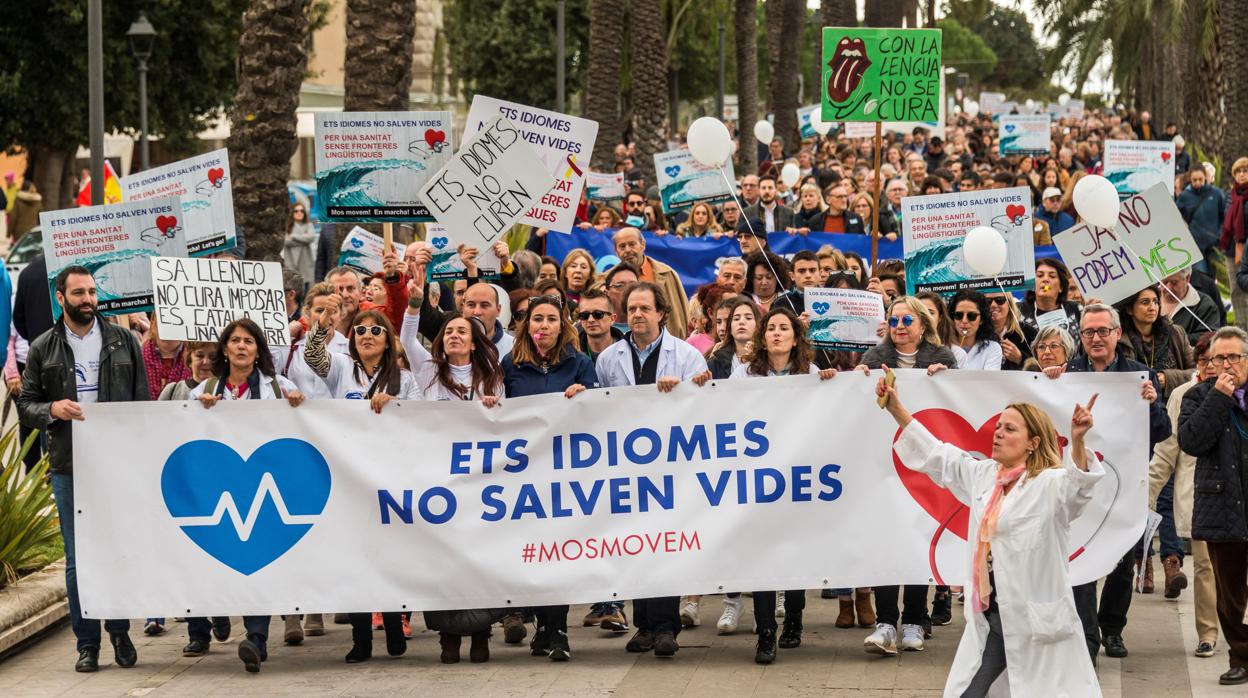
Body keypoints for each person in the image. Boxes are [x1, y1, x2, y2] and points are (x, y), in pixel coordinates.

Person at [879, 366, 1104, 697]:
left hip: (1036, 622)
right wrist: (895, 407)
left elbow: (1078, 489)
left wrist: (1080, 440)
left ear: (1033, 443)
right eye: (998, 426)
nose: (998, 432)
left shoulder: (1049, 484)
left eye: (1010, 428)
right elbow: (937, 455)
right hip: (991, 616)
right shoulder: (984, 476)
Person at [17, 266, 149, 673]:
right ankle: (86, 643)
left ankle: (121, 631)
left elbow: (142, 404)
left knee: (117, 551)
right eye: (79, 293)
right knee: (78, 559)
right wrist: (52, 409)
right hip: (69, 464)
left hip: (116, 464)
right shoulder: (44, 347)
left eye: (92, 291)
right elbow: (27, 404)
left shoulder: (123, 340)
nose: (88, 299)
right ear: (61, 298)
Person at [595, 282, 709, 658]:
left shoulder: (687, 355)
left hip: (673, 463)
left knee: (665, 543)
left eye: (645, 308)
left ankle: (664, 627)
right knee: (637, 545)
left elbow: (706, 401)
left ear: (661, 313)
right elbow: (601, 407)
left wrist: (685, 390)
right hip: (627, 464)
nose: (638, 315)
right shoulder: (609, 358)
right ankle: (644, 624)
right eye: (632, 309)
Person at [187, 318, 306, 673]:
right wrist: (198, 413)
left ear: (258, 351)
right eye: (235, 341)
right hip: (218, 491)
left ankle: (256, 637)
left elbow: (307, 428)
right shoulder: (202, 391)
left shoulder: (280, 388)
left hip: (264, 489)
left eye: (249, 342)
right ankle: (219, 614)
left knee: (258, 561)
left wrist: (300, 404)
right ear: (224, 348)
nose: (241, 346)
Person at [1056, 303, 1168, 662]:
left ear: (1118, 334)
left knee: (1122, 561)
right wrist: (1046, 381)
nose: (1096, 338)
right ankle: (1087, 638)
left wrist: (1151, 404)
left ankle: (1113, 629)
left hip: (1124, 487)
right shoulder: (1067, 373)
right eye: (1088, 332)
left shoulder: (1139, 374)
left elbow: (1163, 431)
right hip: (1081, 484)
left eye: (1103, 331)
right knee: (1082, 559)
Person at [726, 307, 836, 663]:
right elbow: (723, 412)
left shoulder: (812, 372)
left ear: (795, 336)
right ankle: (765, 633)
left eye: (783, 328)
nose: (776, 333)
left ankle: (793, 620)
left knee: (793, 553)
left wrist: (834, 384)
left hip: (797, 478)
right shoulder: (744, 373)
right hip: (758, 478)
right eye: (770, 328)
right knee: (761, 555)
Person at [857, 297, 958, 654]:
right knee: (888, 540)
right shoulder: (872, 359)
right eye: (894, 319)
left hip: (923, 464)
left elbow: (956, 401)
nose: (900, 326)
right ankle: (886, 623)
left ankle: (914, 620)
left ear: (922, 324)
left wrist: (947, 382)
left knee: (918, 539)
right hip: (884, 463)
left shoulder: (943, 358)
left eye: (907, 320)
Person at [501, 294, 599, 662]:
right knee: (536, 553)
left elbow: (601, 409)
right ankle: (543, 626)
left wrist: (585, 395)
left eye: (551, 319)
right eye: (537, 318)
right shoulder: (510, 364)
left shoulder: (579, 363)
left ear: (563, 326)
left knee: (559, 551)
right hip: (525, 474)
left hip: (567, 473)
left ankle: (557, 630)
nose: (543, 325)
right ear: (527, 325)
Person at [1177, 325, 1248, 686]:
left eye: (1234, 356)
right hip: (1222, 505)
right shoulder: (1198, 395)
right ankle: (1241, 655)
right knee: (1230, 592)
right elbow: (1191, 441)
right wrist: (1219, 398)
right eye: (1220, 358)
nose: (1227, 364)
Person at [1150, 333, 1217, 656]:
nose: (1212, 367)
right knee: (1204, 567)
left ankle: (1237, 625)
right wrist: (1145, 497)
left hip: (1239, 494)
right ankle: (1208, 632)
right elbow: (1166, 452)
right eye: (1204, 361)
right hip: (1201, 494)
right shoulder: (1184, 394)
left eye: (1219, 359)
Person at [1114, 285, 1195, 396]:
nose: (1152, 307)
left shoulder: (1175, 333)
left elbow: (1197, 371)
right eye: (1145, 302)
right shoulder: (1118, 339)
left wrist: (1168, 378)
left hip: (1172, 404)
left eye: (1155, 302)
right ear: (1129, 309)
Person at [612, 227, 690, 337]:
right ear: (616, 251)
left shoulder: (666, 273)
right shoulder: (607, 280)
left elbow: (683, 314)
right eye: (622, 246)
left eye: (632, 244)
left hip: (665, 344)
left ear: (643, 245)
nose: (628, 250)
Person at [1177, 165, 1227, 269]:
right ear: (1190, 179)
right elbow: (1176, 217)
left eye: (1200, 179)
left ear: (1205, 177)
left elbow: (1225, 215)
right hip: (1195, 246)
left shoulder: (1217, 193)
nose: (1198, 183)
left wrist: (1220, 234)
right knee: (1200, 277)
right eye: (1194, 180)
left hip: (1214, 245)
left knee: (1213, 280)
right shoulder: (1185, 196)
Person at [1019, 258, 1081, 337]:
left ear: (1061, 287)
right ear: (1032, 285)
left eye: (1052, 276)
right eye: (1040, 275)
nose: (1045, 279)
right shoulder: (1018, 311)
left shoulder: (1076, 308)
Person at [1161, 267, 1221, 344]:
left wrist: (1173, 339)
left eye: (1174, 282)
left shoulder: (1204, 305)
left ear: (1187, 278)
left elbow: (1210, 336)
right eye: (1164, 282)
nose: (1168, 288)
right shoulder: (1149, 299)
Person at [707, 297, 759, 380]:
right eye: (736, 319)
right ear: (730, 328)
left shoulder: (770, 358)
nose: (741, 322)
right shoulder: (715, 363)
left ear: (758, 324)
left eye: (748, 318)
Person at [950, 290, 1003, 370]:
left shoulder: (992, 348)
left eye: (971, 316)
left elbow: (988, 381)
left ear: (981, 319)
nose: (964, 321)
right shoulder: (943, 346)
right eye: (959, 315)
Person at [984, 292, 1034, 370]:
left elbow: (1043, 365)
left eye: (999, 300)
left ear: (1009, 304)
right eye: (987, 301)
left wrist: (1020, 358)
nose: (993, 305)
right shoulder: (976, 332)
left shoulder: (1027, 331)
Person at [283, 204, 317, 286]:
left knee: (305, 289)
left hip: (306, 264)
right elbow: (286, 241)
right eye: (296, 211)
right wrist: (304, 239)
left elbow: (311, 237)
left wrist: (294, 236)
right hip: (291, 262)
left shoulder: (308, 225)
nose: (299, 213)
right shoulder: (288, 226)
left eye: (302, 211)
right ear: (292, 213)